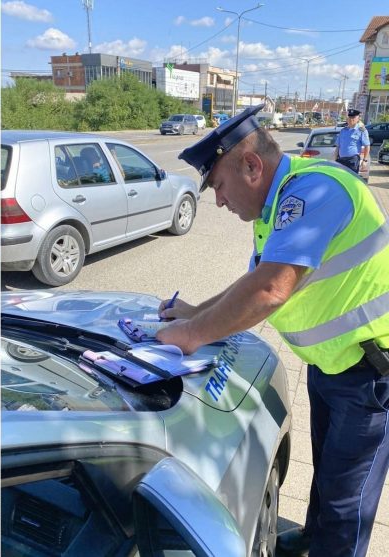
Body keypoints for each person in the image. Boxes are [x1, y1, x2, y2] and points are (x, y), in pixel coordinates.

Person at [156, 104, 389, 557]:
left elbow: (269, 289)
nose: (219, 201)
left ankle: (330, 546)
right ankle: (313, 540)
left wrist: (190, 336)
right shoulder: (279, 204)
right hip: (335, 364)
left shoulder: (316, 190)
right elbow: (252, 282)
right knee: (327, 472)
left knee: (348, 502)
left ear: (251, 164)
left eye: (219, 186)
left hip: (371, 374)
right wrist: (192, 313)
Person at [335, 108, 370, 175]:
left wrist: (365, 160)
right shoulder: (343, 131)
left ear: (358, 119)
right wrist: (334, 159)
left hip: (352, 161)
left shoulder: (361, 131)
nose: (351, 119)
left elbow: (367, 146)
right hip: (341, 160)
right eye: (350, 117)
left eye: (353, 117)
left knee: (351, 179)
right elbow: (338, 146)